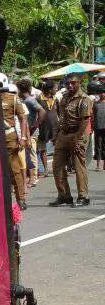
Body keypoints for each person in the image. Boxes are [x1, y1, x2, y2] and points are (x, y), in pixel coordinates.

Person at [51, 76, 93, 207]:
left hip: (78, 134)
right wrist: (56, 134)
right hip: (63, 134)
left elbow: (85, 120)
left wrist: (76, 138)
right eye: (67, 83)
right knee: (56, 165)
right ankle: (64, 195)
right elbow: (61, 117)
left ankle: (83, 196)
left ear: (79, 83)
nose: (70, 85)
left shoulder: (84, 99)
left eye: (73, 83)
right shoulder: (64, 97)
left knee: (78, 166)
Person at [0, 74, 30, 210]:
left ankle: (21, 198)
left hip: (9, 138)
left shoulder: (13, 98)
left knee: (15, 170)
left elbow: (23, 118)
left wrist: (23, 138)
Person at [18, 78, 45, 187]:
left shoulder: (29, 100)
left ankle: (34, 177)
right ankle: (32, 176)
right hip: (28, 131)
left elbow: (42, 111)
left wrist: (35, 125)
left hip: (32, 132)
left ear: (21, 89)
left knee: (31, 153)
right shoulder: (25, 101)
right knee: (28, 154)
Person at [37, 83, 59, 178]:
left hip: (55, 126)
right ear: (50, 90)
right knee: (43, 149)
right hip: (43, 127)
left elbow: (59, 112)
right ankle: (46, 170)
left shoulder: (56, 99)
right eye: (55, 88)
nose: (56, 89)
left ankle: (58, 168)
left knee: (58, 148)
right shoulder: (38, 99)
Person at [93, 92, 105, 172]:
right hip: (98, 127)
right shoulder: (95, 104)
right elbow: (93, 115)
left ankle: (104, 165)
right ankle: (98, 165)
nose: (103, 94)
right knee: (98, 146)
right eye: (101, 93)